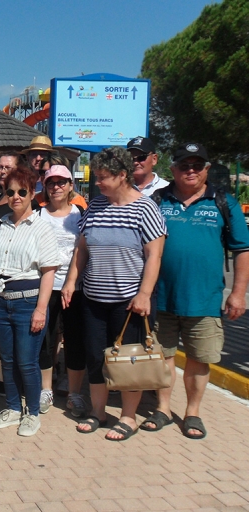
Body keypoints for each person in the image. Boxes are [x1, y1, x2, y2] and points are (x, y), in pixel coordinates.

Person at [144, 143, 249, 439]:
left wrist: (238, 293)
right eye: (184, 165)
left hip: (204, 298)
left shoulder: (223, 203)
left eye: (197, 165)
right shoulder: (157, 201)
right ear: (173, 169)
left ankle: (193, 412)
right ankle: (163, 409)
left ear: (206, 169)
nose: (190, 170)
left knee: (199, 358)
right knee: (161, 356)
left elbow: (243, 250)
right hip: (160, 297)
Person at [62, 146, 166, 441]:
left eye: (103, 177)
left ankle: (129, 417)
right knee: (96, 357)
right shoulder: (95, 207)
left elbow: (154, 256)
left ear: (122, 176)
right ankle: (99, 411)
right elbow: (81, 250)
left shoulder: (145, 208)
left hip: (129, 302)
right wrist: (72, 281)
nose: (98, 183)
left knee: (130, 361)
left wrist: (144, 294)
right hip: (94, 300)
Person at [0, 165, 60, 437]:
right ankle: (13, 408)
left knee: (27, 361)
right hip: (1, 301)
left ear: (32, 192)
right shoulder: (0, 225)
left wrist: (41, 309)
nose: (16, 196)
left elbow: (49, 271)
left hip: (28, 302)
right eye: (10, 191)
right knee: (7, 359)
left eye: (22, 191)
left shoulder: (41, 227)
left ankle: (33, 413)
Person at [37, 165, 87, 417]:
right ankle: (46, 389)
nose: (56, 187)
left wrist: (74, 281)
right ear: (45, 186)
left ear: (70, 186)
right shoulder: (37, 215)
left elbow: (86, 251)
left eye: (61, 182)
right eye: (51, 182)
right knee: (45, 341)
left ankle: (74, 393)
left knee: (75, 342)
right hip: (46, 289)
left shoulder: (81, 215)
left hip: (75, 289)